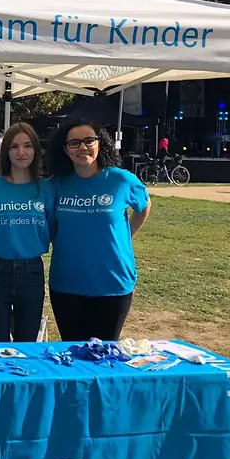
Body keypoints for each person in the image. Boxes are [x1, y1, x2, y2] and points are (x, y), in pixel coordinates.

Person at [47, 118, 151, 342]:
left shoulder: (121, 180)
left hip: (112, 283)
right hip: (67, 283)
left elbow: (144, 206)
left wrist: (127, 237)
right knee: (72, 351)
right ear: (65, 150)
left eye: (89, 140)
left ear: (100, 143)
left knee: (104, 354)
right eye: (74, 143)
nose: (82, 147)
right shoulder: (57, 184)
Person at [0, 123, 54, 343]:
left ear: (35, 149)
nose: (21, 152)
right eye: (14, 146)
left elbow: (52, 230)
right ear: (6, 151)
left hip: (32, 273)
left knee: (27, 344)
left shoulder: (47, 189)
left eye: (27, 146)